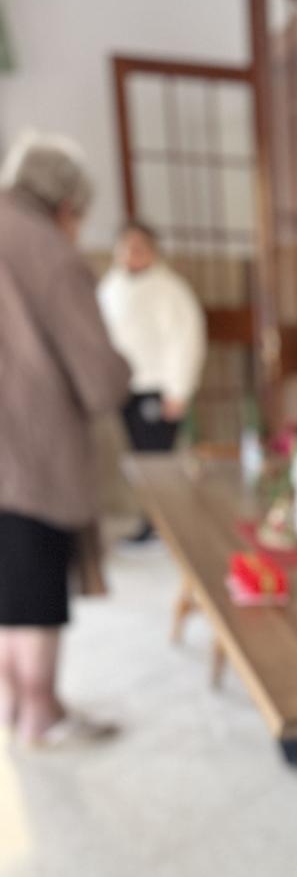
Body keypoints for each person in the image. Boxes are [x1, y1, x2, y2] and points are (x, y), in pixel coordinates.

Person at [0, 131, 131, 746]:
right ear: (65, 203)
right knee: (32, 590)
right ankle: (41, 713)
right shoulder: (48, 251)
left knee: (7, 588)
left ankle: (13, 704)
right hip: (28, 458)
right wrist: (124, 373)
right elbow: (100, 380)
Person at [97, 219, 206, 540]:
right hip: (125, 388)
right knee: (136, 459)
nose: (131, 255)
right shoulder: (110, 287)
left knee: (156, 460)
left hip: (158, 389)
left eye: (138, 248)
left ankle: (163, 523)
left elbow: (186, 342)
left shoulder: (171, 289)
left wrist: (179, 391)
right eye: (125, 248)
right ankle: (151, 520)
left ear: (153, 251)